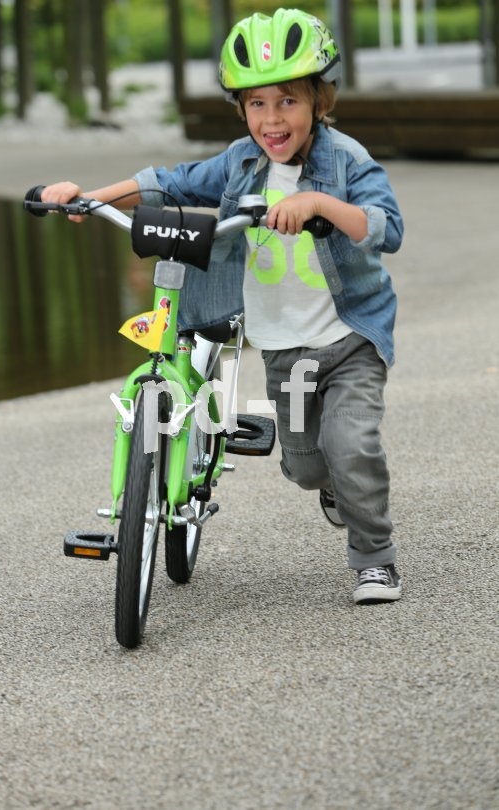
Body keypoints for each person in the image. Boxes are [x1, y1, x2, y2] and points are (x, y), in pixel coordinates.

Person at [41, 8, 404, 604]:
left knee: (353, 445)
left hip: (349, 339)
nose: (271, 118)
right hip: (287, 349)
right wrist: (89, 196)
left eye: (287, 101)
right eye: (256, 104)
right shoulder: (240, 162)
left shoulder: (346, 162)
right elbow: (172, 181)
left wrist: (319, 202)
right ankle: (337, 486)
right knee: (308, 467)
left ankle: (374, 559)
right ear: (241, 110)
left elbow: (385, 228)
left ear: (320, 99)